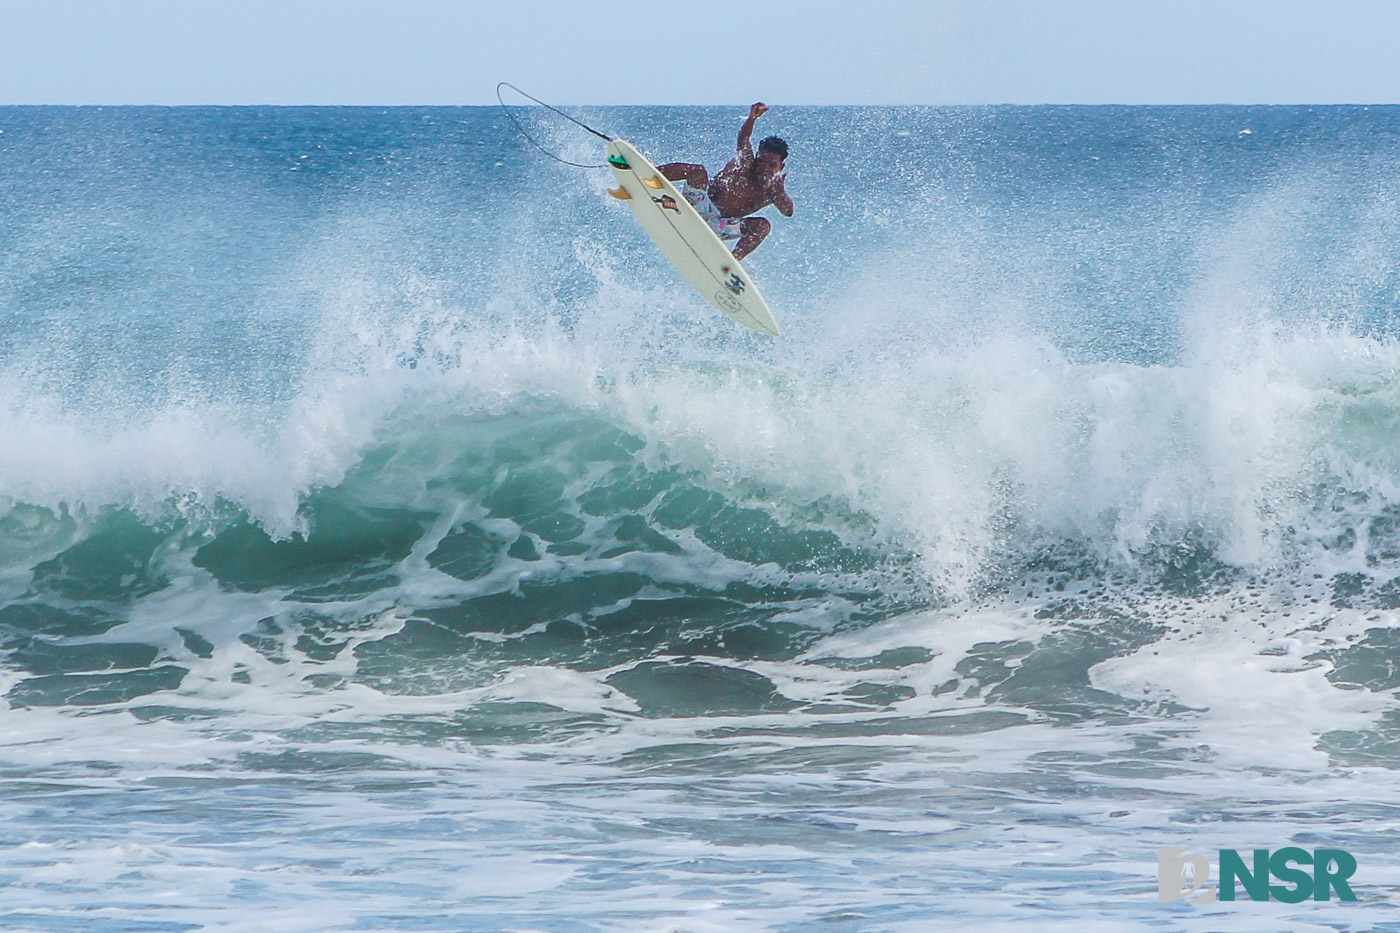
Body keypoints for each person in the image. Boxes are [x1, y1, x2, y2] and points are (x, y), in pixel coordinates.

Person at [658, 102, 793, 261]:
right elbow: (743, 139)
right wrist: (752, 119)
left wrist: (780, 192)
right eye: (762, 161)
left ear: (780, 167)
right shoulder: (746, 164)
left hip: (719, 227)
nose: (764, 167)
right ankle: (646, 173)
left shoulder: (772, 191)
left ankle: (730, 263)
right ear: (757, 157)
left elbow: (788, 211)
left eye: (772, 165)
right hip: (697, 206)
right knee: (698, 171)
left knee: (763, 225)